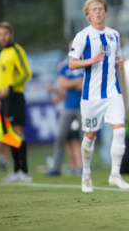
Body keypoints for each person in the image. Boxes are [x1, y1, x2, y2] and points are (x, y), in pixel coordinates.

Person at [68, 0, 129, 192]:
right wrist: (91, 60)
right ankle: (86, 174)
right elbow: (72, 63)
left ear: (105, 12)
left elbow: (117, 57)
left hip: (113, 91)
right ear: (88, 15)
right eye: (94, 9)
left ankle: (115, 175)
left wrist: (119, 62)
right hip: (91, 95)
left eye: (100, 8)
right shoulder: (83, 36)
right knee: (90, 136)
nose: (98, 11)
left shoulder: (114, 35)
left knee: (119, 131)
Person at [0, 22, 32, 182]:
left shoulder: (16, 51)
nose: (2, 37)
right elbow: (2, 79)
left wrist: (10, 88)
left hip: (15, 97)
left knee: (17, 132)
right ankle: (16, 170)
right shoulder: (2, 54)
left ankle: (25, 171)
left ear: (11, 34)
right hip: (4, 98)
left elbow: (26, 73)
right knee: (8, 134)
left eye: (5, 34)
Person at [46, 42, 84, 176]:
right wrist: (76, 82)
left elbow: (85, 84)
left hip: (83, 107)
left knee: (84, 139)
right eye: (72, 48)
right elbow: (62, 83)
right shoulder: (65, 66)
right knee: (60, 137)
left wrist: (71, 83)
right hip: (68, 107)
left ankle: (84, 167)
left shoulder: (85, 64)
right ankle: (56, 168)